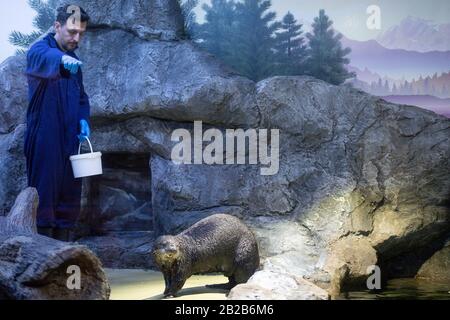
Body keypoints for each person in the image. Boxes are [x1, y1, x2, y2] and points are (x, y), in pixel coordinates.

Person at [24, 4, 91, 241]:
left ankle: (63, 253)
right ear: (57, 26)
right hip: (45, 136)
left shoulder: (75, 61)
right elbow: (40, 57)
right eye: (72, 32)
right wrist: (60, 60)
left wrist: (83, 119)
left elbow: (82, 97)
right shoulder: (41, 49)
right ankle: (43, 252)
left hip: (70, 139)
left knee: (69, 197)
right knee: (45, 195)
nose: (76, 38)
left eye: (81, 34)